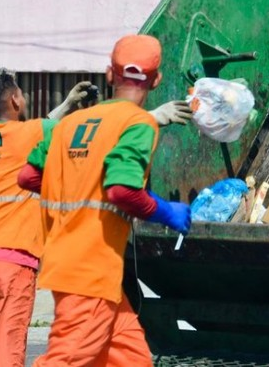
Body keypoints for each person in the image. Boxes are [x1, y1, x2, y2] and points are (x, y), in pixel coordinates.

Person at [21, 34, 191, 367]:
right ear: (155, 81)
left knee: (132, 359)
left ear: (110, 75)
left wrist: (76, 185)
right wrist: (166, 211)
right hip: (91, 271)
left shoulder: (68, 124)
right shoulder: (138, 123)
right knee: (65, 360)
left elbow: (27, 177)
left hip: (75, 265)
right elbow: (121, 191)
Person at [0, 69, 93, 367]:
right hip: (9, 262)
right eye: (21, 91)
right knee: (5, 356)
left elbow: (39, 126)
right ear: (16, 99)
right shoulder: (30, 133)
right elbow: (53, 129)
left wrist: (69, 102)